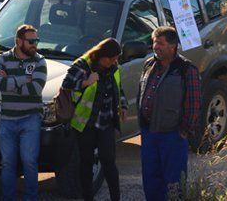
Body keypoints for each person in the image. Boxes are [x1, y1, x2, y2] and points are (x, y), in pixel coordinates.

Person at [138, 26, 201, 201]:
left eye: (160, 43)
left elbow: (194, 103)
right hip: (149, 133)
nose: (155, 47)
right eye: (154, 43)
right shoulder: (149, 64)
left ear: (172, 46)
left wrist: (184, 130)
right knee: (150, 179)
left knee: (174, 182)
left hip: (173, 135)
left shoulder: (186, 69)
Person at [63, 38, 127, 201]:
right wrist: (86, 82)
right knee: (86, 162)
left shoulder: (113, 67)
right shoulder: (82, 65)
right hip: (86, 123)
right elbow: (67, 84)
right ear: (101, 55)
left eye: (116, 59)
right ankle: (87, 198)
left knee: (109, 162)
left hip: (106, 122)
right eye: (111, 58)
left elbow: (118, 88)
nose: (114, 62)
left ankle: (115, 198)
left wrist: (123, 106)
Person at [0, 24, 47, 201]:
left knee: (29, 161)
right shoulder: (3, 59)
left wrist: (10, 83)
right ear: (18, 41)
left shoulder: (39, 61)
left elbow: (35, 89)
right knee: (7, 163)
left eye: (36, 41)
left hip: (30, 119)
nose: (35, 44)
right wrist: (23, 79)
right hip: (7, 120)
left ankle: (31, 198)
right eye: (31, 41)